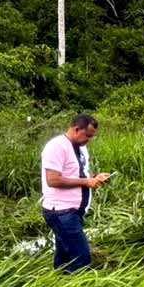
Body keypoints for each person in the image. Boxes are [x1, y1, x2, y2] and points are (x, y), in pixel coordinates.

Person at [40, 114, 110, 272]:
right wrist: (86, 182)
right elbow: (53, 180)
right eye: (87, 135)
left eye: (92, 137)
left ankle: (58, 286)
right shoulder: (56, 146)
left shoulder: (82, 149)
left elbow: (77, 175)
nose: (89, 140)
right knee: (81, 258)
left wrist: (95, 178)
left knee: (64, 257)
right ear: (77, 129)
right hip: (60, 212)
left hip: (74, 211)